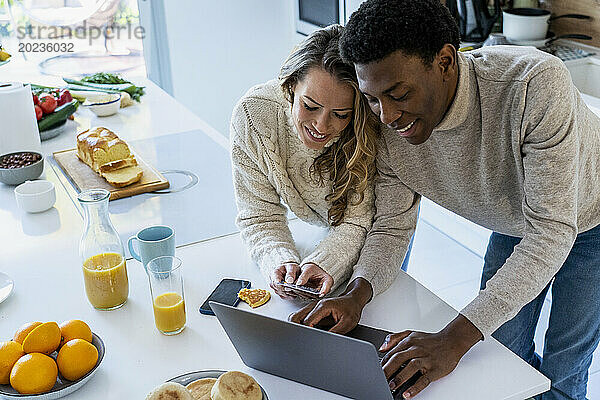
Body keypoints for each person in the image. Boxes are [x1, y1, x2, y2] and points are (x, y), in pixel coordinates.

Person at [290, 1, 600, 399]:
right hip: (517, 220)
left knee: (563, 369)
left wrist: (450, 341)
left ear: (445, 61)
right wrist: (356, 294)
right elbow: (393, 224)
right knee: (504, 353)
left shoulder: (533, 86)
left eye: (399, 94)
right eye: (371, 98)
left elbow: (550, 235)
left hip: (591, 218)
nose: (386, 116)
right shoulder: (384, 121)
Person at [230, 25, 397, 308]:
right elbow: (259, 216)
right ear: (291, 86)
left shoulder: (372, 127)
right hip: (330, 222)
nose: (321, 126)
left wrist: (327, 264)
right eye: (309, 106)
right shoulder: (253, 117)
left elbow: (360, 221)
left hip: (382, 226)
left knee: (389, 303)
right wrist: (279, 259)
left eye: (341, 114)